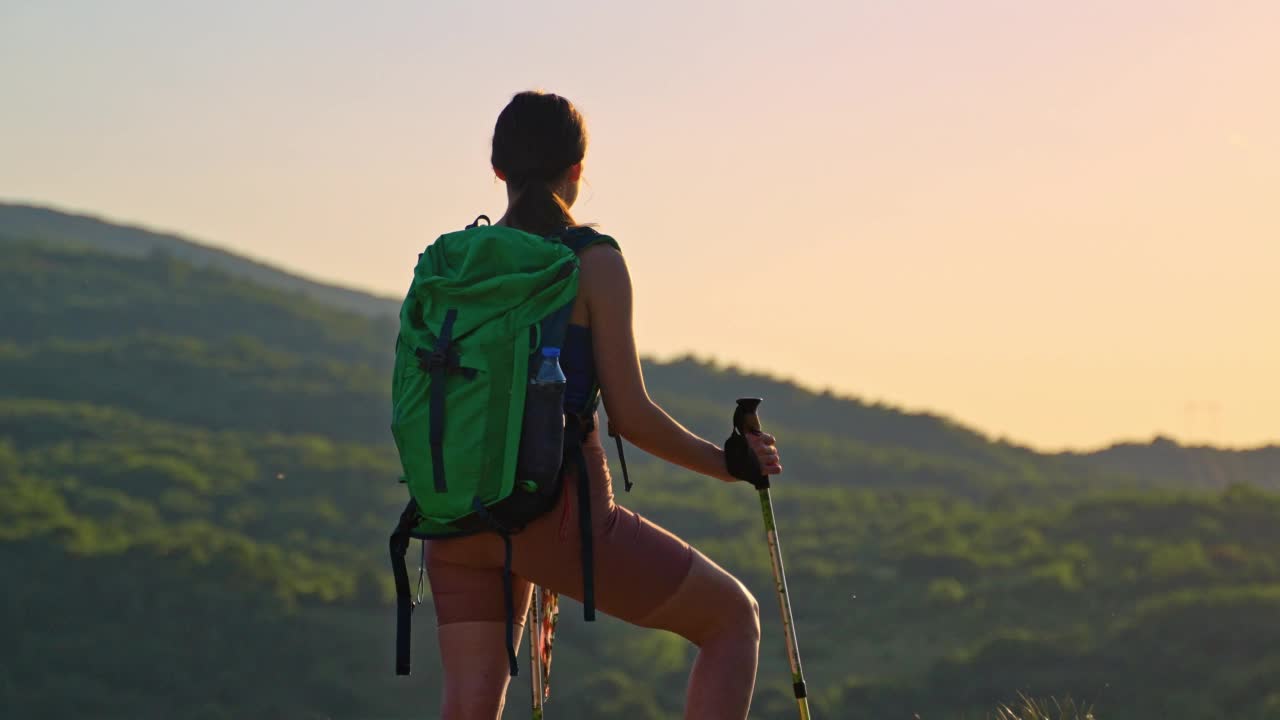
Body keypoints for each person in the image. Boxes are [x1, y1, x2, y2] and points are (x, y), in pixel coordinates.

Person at [423, 90, 784, 720]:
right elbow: (632, 417)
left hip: (451, 516)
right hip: (556, 515)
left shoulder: (454, 263)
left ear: (498, 169)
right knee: (732, 619)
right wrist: (730, 464)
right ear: (578, 172)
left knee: (470, 707)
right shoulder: (591, 260)